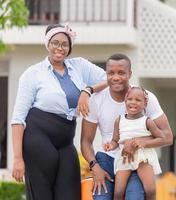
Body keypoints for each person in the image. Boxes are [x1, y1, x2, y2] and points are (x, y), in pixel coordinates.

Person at [11, 23, 107, 200]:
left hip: (65, 137)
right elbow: (18, 119)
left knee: (70, 194)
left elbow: (111, 79)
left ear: (70, 47)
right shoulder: (32, 74)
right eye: (55, 42)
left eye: (64, 44)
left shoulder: (80, 66)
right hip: (38, 135)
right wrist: (18, 159)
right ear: (47, 44)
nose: (59, 48)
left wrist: (88, 91)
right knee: (42, 195)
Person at [81, 53, 173, 200]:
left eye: (121, 73)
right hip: (107, 160)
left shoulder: (145, 98)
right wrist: (95, 167)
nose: (116, 77)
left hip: (136, 161)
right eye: (111, 73)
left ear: (130, 74)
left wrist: (139, 142)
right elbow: (86, 141)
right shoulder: (96, 100)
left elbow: (167, 137)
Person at [104, 86, 164, 200]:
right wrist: (110, 145)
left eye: (138, 100)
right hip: (125, 157)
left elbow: (161, 138)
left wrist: (145, 143)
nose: (133, 102)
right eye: (130, 99)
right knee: (118, 192)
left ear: (145, 103)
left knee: (150, 190)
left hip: (143, 158)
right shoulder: (119, 120)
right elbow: (115, 140)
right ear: (125, 101)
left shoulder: (148, 121)